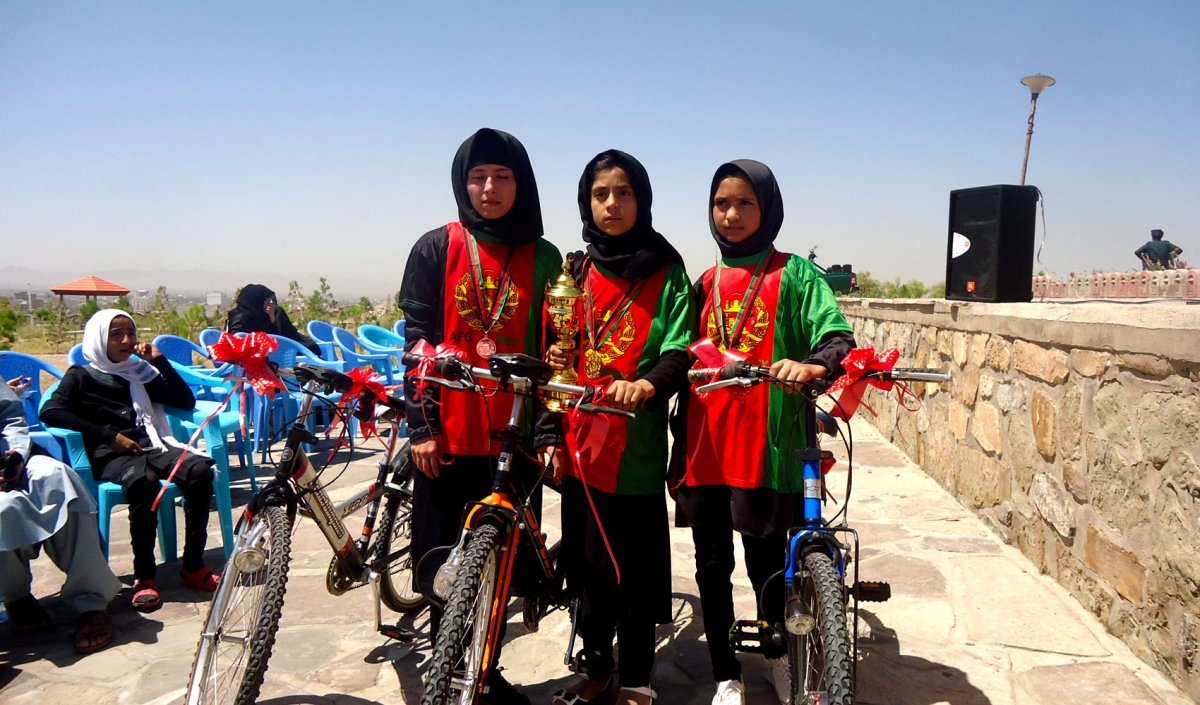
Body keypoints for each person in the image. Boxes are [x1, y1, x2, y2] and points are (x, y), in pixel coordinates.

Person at [672, 160, 856, 705]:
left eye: (745, 203)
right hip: (706, 447)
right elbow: (675, 349)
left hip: (766, 448)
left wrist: (815, 364)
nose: (731, 214)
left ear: (768, 208)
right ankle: (726, 671)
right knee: (711, 563)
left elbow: (836, 334)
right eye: (721, 203)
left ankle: (776, 651)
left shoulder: (796, 275)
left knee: (765, 561)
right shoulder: (703, 283)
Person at [398, 127, 562, 705]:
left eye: (502, 177)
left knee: (500, 566)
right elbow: (416, 343)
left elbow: (552, 353)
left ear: (523, 183)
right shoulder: (434, 248)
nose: (489, 188)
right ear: (462, 182)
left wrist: (547, 432)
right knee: (444, 562)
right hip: (447, 431)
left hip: (512, 434)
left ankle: (483, 669)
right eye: (478, 176)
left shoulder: (544, 258)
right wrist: (420, 425)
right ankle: (455, 670)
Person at [548, 150, 692, 705]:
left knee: (633, 570)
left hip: (634, 444)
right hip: (579, 445)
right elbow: (553, 354)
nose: (612, 204)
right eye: (600, 193)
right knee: (588, 567)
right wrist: (547, 433)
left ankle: (635, 676)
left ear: (643, 199)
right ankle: (596, 664)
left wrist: (649, 385)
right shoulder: (574, 273)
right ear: (586, 202)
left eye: (624, 192)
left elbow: (678, 348)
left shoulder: (666, 271)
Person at [41, 309, 219, 612]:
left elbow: (184, 401)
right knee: (144, 483)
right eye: (116, 334)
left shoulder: (138, 371)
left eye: (131, 333)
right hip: (111, 454)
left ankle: (192, 564)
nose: (126, 340)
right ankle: (145, 576)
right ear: (98, 338)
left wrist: (159, 361)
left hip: (153, 446)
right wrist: (108, 436)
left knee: (200, 472)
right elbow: (50, 412)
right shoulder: (80, 376)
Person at [2, 379, 122, 653]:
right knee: (3, 508)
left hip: (12, 459)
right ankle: (17, 596)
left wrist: (16, 456)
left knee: (57, 479)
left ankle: (92, 601)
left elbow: (11, 416)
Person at [225, 284, 321, 355]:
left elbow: (288, 334)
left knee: (312, 347)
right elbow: (240, 345)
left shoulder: (274, 312)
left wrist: (272, 319)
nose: (271, 303)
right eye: (267, 301)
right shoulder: (240, 319)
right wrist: (271, 322)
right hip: (262, 356)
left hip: (279, 349)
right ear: (256, 301)